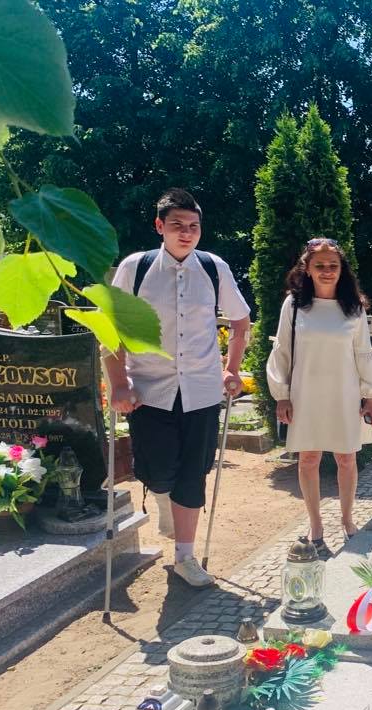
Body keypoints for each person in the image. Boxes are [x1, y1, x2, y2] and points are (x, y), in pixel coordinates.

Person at [105, 188, 250, 587]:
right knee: (158, 471)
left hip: (202, 389)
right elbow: (111, 328)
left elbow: (240, 321)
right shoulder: (136, 268)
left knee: (193, 473)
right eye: (177, 225)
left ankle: (185, 557)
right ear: (159, 226)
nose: (186, 233)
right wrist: (118, 384)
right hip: (150, 389)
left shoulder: (214, 268)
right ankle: (164, 498)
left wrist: (230, 369)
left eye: (193, 227)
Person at [266, 238, 372, 558]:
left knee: (347, 459)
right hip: (305, 394)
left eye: (333, 265)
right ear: (307, 268)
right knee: (309, 459)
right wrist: (282, 395)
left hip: (344, 393)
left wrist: (371, 396)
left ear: (342, 269)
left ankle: (347, 519)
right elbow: (282, 351)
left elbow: (363, 354)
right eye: (320, 265)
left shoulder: (353, 307)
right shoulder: (294, 305)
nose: (327, 271)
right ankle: (315, 525)